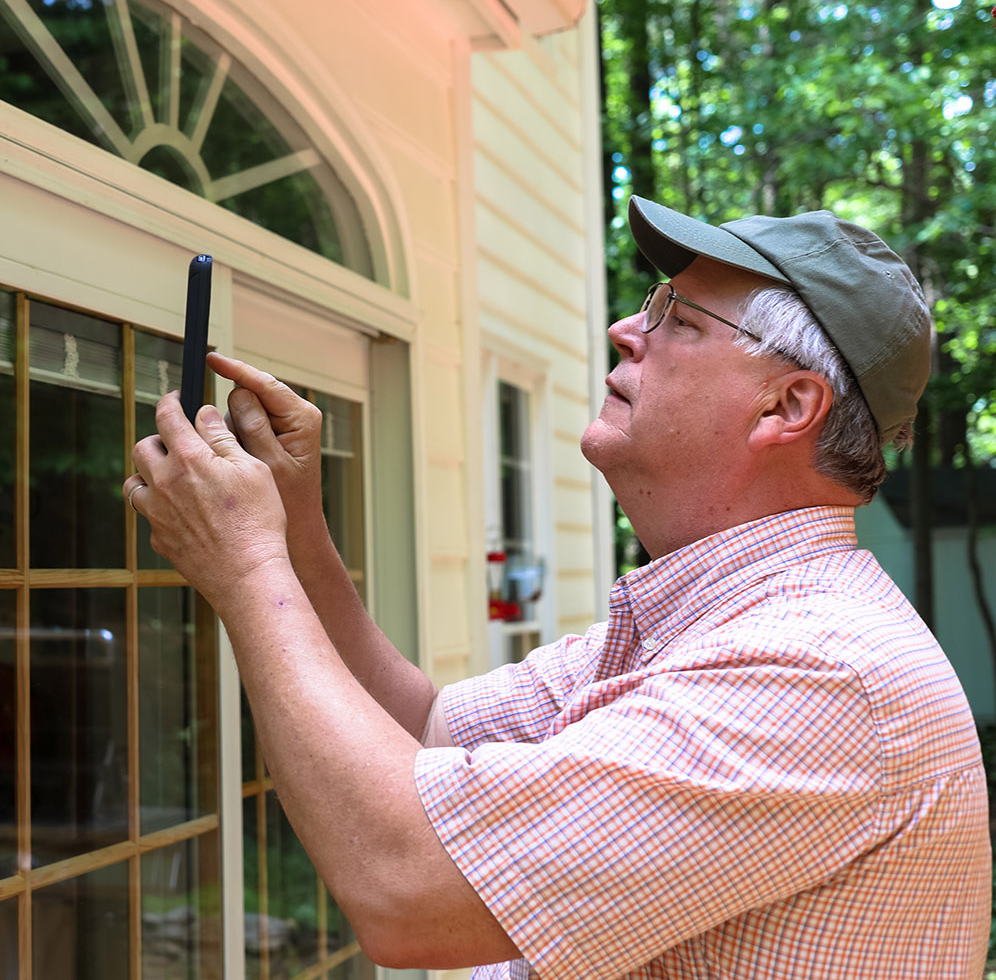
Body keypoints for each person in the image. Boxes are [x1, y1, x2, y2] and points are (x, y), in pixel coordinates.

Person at [124, 195, 991, 979]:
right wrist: (294, 525)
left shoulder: (821, 670)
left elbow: (409, 889)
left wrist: (247, 567)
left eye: (675, 317)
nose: (625, 328)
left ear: (784, 407)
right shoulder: (707, 622)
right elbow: (418, 727)